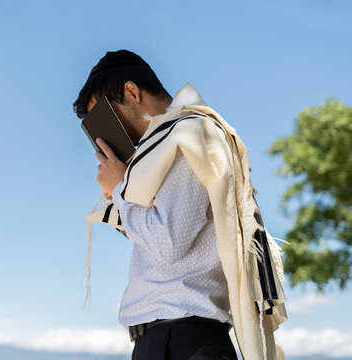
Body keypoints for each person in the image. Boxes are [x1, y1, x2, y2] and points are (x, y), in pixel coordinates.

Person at [73, 50, 287, 360]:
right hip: (176, 340)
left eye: (104, 114)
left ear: (131, 92)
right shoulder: (169, 147)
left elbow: (167, 243)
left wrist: (120, 188)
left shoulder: (184, 137)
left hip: (181, 341)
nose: (104, 130)